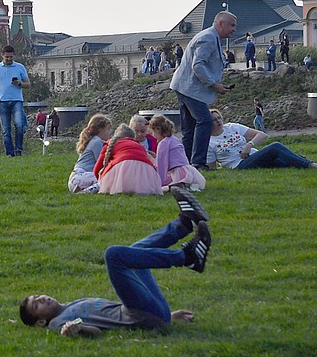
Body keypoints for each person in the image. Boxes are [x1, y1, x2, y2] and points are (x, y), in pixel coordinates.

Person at [19, 186, 212, 337]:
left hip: (150, 313)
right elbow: (96, 331)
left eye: (37, 296)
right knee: (114, 256)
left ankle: (185, 223)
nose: (41, 298)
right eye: (37, 305)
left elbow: (111, 319)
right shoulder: (57, 322)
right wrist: (74, 331)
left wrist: (167, 317)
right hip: (141, 315)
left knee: (135, 253)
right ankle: (187, 257)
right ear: (41, 321)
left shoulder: (70, 305)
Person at [170, 11, 236, 171]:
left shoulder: (212, 37)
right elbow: (198, 65)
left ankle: (185, 163)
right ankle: (198, 163)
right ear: (220, 24)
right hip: (190, 89)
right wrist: (214, 85)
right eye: (232, 25)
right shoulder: (208, 38)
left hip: (184, 87)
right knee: (205, 121)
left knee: (190, 127)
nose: (234, 29)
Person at [207, 109, 317, 170]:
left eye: (219, 118)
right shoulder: (209, 142)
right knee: (275, 147)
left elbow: (262, 135)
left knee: (281, 161)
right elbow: (212, 168)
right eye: (213, 120)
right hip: (239, 164)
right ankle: (310, 165)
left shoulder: (232, 127)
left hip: (254, 155)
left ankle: (303, 162)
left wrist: (249, 144)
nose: (218, 121)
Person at [0, 45, 30, 156]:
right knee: (6, 129)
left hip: (16, 101)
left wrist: (19, 83)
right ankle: (9, 153)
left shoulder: (19, 67)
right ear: (2, 55)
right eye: (7, 57)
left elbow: (28, 84)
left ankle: (18, 149)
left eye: (11, 57)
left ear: (14, 55)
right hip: (2, 101)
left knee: (19, 125)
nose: (9, 59)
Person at [93, 124, 163, 195]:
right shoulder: (139, 146)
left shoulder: (110, 144)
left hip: (121, 166)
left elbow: (97, 168)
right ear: (133, 138)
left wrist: (101, 180)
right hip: (147, 170)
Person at [150, 114, 205, 191]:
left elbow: (162, 164)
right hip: (187, 169)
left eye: (153, 132)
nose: (153, 135)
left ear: (157, 129)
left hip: (177, 171)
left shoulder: (163, 143)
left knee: (171, 186)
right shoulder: (174, 139)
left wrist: (160, 182)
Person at [67, 114, 111, 194]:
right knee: (107, 180)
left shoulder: (93, 140)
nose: (109, 133)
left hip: (77, 178)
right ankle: (84, 192)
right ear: (101, 130)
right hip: (81, 176)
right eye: (108, 130)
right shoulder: (97, 142)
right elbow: (102, 163)